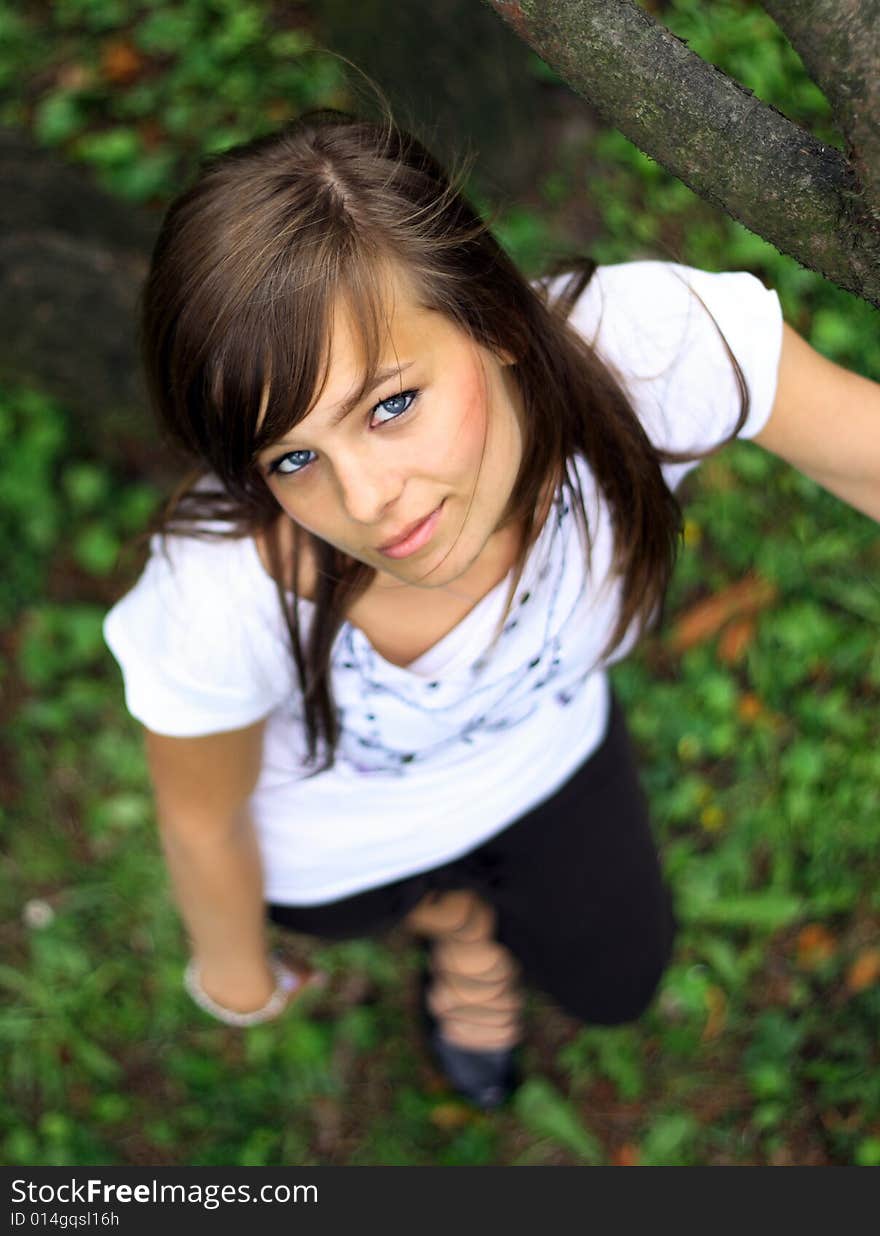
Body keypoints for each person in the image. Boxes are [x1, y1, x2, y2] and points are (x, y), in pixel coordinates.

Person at [103, 107, 880, 1112]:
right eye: (294, 458)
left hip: (541, 757)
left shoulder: (649, 355)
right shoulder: (219, 593)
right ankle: (456, 930)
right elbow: (202, 821)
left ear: (497, 323)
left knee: (616, 983)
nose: (367, 500)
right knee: (369, 906)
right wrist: (235, 980)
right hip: (342, 843)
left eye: (389, 405)